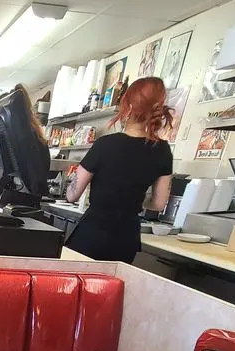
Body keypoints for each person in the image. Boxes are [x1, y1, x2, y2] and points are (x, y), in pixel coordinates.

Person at [65, 77, 174, 263]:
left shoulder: (105, 144)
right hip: (126, 238)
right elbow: (158, 203)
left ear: (128, 106)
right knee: (111, 290)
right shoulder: (162, 150)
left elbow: (72, 195)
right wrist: (133, 198)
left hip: (93, 233)